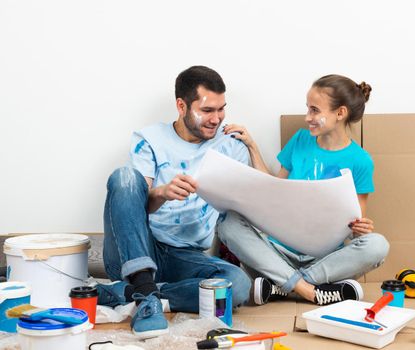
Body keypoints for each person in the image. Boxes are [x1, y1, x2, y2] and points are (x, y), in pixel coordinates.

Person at [97, 66, 251, 338]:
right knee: (124, 177)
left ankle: (137, 293)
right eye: (207, 110)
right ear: (181, 106)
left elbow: (259, 196)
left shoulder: (229, 145)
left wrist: (253, 147)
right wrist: (162, 192)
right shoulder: (149, 139)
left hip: (185, 257)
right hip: (137, 247)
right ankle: (144, 289)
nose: (216, 119)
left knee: (237, 285)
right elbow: (131, 206)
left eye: (221, 109)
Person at [219, 74, 389, 306]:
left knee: (377, 245)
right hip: (279, 252)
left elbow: (353, 227)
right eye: (307, 109)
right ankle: (311, 291)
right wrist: (252, 145)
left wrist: (361, 229)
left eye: (315, 110)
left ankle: (285, 287)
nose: (307, 117)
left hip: (325, 261)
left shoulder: (361, 161)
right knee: (228, 223)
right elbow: (273, 188)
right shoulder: (300, 140)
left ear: (340, 113)